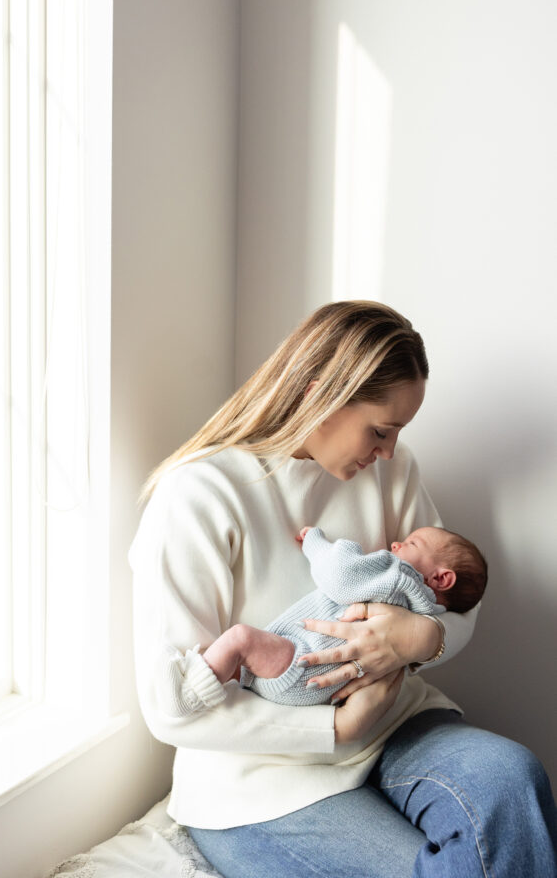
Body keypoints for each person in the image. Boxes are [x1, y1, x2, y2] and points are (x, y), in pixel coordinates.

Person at [129, 301, 557, 878]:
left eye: (397, 434)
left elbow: (457, 597)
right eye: (379, 430)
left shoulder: (393, 469)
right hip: (262, 777)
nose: (386, 451)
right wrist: (335, 728)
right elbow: (168, 706)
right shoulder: (200, 496)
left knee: (511, 781)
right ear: (318, 392)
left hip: (397, 726)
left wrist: (419, 636)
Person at [165, 524, 487, 711]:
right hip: (312, 687)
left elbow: (339, 574)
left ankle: (189, 693)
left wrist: (316, 543)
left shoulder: (398, 576)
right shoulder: (420, 610)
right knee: (241, 654)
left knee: (240, 639)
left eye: (412, 543)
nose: (396, 543)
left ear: (441, 579)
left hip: (300, 662)